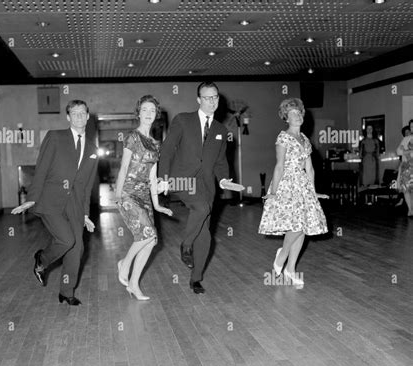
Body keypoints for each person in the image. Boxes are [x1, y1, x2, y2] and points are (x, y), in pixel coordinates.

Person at [159, 82, 244, 294]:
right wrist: (163, 178)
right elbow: (168, 149)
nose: (212, 101)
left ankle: (195, 278)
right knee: (201, 208)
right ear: (198, 100)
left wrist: (224, 180)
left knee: (205, 235)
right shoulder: (183, 120)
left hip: (206, 185)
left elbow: (221, 161)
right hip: (181, 180)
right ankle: (185, 245)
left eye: (215, 97)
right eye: (207, 98)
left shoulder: (220, 130)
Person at [11, 100, 98, 306]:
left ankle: (66, 292)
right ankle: (42, 259)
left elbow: (86, 186)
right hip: (51, 200)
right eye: (73, 113)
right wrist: (31, 199)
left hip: (75, 205)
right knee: (67, 240)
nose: (78, 116)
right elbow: (41, 169)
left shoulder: (93, 148)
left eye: (82, 113)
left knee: (76, 249)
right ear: (68, 117)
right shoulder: (55, 137)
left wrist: (85, 214)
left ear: (87, 116)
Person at [258, 98, 328, 286]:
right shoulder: (283, 137)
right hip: (287, 184)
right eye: (293, 115)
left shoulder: (305, 140)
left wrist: (313, 192)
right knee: (295, 226)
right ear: (286, 119)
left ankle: (291, 269)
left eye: (299, 113)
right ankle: (282, 255)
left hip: (302, 185)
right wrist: (273, 192)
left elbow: (310, 169)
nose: (297, 117)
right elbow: (279, 166)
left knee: (303, 227)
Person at [115, 95, 173, 300]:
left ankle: (133, 284)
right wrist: (118, 196)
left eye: (152, 110)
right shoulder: (132, 137)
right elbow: (123, 169)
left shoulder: (155, 144)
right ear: (138, 113)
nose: (148, 114)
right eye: (145, 110)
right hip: (128, 192)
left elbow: (152, 176)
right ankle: (125, 264)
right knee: (147, 233)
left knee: (151, 240)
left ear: (156, 114)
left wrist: (156, 204)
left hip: (145, 195)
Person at [396, 132, 413, 216]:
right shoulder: (406, 139)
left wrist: (405, 151)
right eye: (411, 126)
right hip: (407, 167)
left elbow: (403, 151)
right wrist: (409, 151)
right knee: (406, 189)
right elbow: (399, 151)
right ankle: (410, 210)